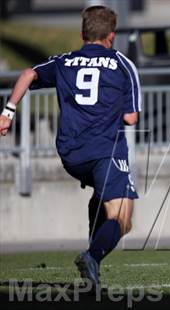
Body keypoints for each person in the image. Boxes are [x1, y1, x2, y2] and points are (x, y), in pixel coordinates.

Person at [0, 6, 141, 289]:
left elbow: (29, 73)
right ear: (111, 36)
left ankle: (93, 241)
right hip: (105, 150)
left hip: (71, 155)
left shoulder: (65, 61)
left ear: (82, 34)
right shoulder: (123, 63)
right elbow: (131, 117)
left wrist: (8, 112)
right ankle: (92, 255)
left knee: (102, 196)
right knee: (123, 219)